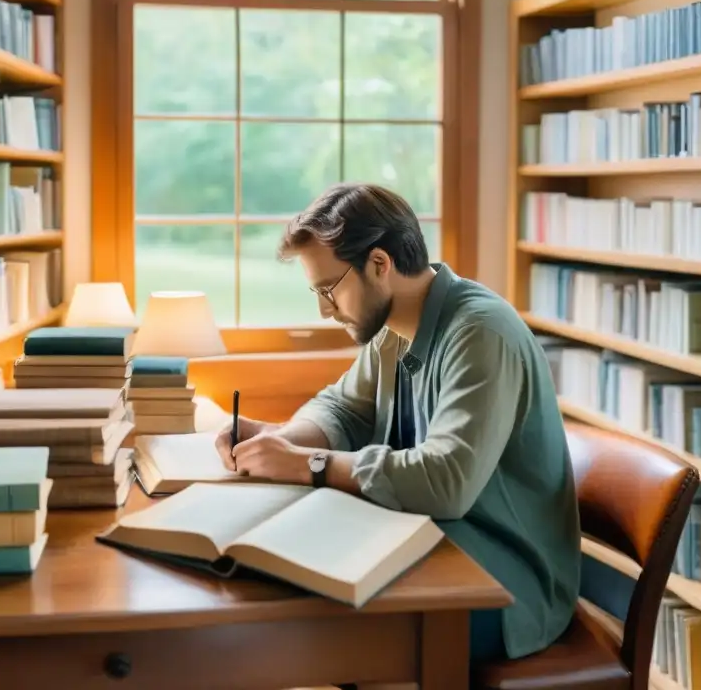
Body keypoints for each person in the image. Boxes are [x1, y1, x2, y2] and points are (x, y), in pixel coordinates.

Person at [213, 183, 581, 664]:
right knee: (274, 595)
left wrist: (312, 465)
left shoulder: (480, 333)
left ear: (380, 265)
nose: (324, 309)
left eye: (329, 289)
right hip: (431, 546)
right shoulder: (395, 329)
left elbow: (445, 482)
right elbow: (341, 408)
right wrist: (278, 439)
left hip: (502, 582)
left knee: (297, 629)